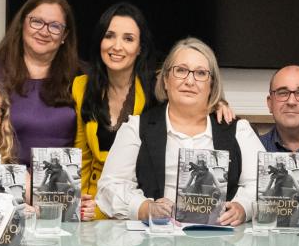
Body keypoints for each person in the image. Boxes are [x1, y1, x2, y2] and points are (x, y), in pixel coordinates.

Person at [96, 37, 264, 224]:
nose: (190, 81)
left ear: (212, 85)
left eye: (200, 73)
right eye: (181, 70)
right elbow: (108, 188)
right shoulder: (136, 129)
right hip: (153, 244)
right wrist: (143, 207)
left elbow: (261, 185)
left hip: (219, 242)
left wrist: (243, 207)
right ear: (166, 80)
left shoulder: (238, 131)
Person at [72, 3, 156, 220]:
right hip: (92, 207)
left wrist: (218, 103)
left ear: (140, 48)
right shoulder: (81, 87)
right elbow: (82, 157)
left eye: (128, 39)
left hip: (137, 208)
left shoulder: (157, 90)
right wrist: (78, 202)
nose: (116, 46)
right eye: (109, 36)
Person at [0, 0, 80, 152]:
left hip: (64, 175)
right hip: (6, 173)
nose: (44, 31)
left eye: (55, 26)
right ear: (22, 24)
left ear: (64, 35)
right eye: (37, 22)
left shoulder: (80, 77)